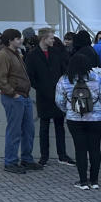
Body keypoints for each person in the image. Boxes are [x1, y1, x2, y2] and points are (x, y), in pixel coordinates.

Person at [55, 52, 101, 189]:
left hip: (74, 119)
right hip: (96, 119)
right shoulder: (96, 78)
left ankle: (83, 181)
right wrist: (98, 111)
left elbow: (59, 101)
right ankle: (95, 181)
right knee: (95, 149)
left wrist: (68, 111)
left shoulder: (64, 80)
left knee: (80, 149)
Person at [0, 28, 39, 174]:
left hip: (22, 96)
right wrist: (12, 93)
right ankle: (11, 161)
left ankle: (26, 159)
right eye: (17, 38)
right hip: (14, 97)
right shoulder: (3, 55)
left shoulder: (16, 54)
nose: (20, 40)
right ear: (10, 40)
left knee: (28, 129)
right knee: (14, 130)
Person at [25, 26, 73, 166]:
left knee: (60, 126)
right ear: (44, 38)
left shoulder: (57, 52)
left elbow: (64, 69)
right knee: (44, 126)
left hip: (58, 94)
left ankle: (62, 155)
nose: (54, 40)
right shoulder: (33, 55)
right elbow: (31, 76)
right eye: (51, 37)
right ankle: (44, 156)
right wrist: (41, 88)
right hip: (44, 95)